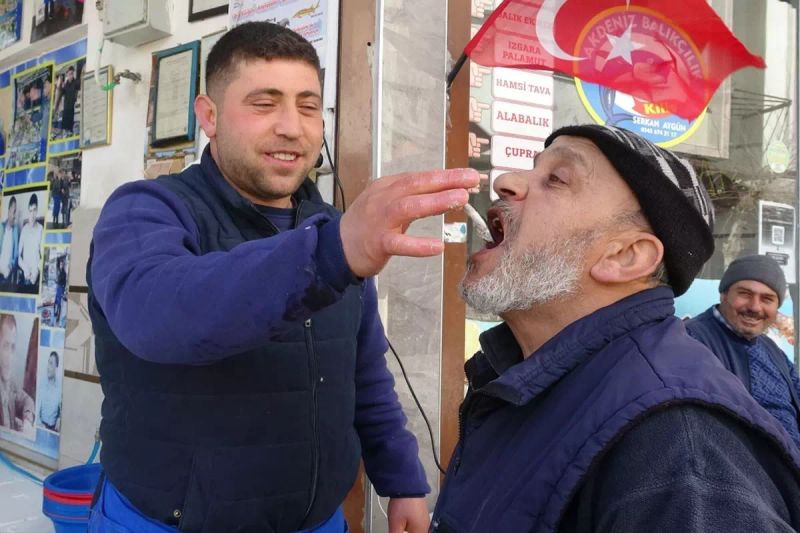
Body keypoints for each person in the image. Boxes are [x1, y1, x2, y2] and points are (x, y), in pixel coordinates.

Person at [87, 21, 477, 533]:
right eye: (264, 103)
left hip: (316, 522)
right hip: (166, 521)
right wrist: (332, 253)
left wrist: (401, 479)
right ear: (209, 116)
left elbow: (362, 370)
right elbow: (154, 314)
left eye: (308, 106)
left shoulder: (332, 230)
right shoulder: (146, 210)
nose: (292, 127)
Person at [431, 124, 800, 533]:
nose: (505, 182)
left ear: (626, 256)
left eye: (556, 179)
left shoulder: (679, 447)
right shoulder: (526, 377)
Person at [685, 254, 800, 449]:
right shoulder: (692, 340)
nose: (755, 307)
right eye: (745, 294)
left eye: (767, 299)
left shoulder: (770, 348)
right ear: (723, 294)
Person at [0, 314, 34, 431]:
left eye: (13, 347)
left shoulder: (10, 381)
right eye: (5, 346)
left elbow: (27, 400)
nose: (10, 356)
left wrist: (27, 422)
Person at [18, 194, 43, 288]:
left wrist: (36, 271)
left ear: (37, 211)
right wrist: (25, 269)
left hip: (35, 276)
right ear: (28, 211)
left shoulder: (41, 229)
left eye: (34, 210)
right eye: (30, 211)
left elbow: (43, 255)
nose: (32, 214)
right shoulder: (24, 229)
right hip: (25, 275)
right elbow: (18, 256)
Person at [38, 351, 61, 432]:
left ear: (56, 368)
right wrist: (39, 424)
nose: (48, 367)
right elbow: (36, 409)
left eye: (51, 364)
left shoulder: (60, 387)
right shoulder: (41, 383)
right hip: (41, 426)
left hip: (54, 429)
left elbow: (62, 407)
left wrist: (59, 418)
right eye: (48, 363)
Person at [55, 65, 79, 136]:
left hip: (72, 107)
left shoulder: (76, 82)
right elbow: (61, 92)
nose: (70, 75)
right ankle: (66, 134)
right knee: (65, 126)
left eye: (71, 73)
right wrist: (59, 85)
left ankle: (70, 133)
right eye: (69, 74)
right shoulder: (65, 84)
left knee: (70, 126)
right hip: (66, 108)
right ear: (67, 75)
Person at [0, 196, 19, 286]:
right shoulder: (1, 226)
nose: (14, 216)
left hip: (7, 272)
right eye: (13, 211)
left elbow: (16, 254)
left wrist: (10, 266)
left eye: (15, 212)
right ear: (8, 210)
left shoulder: (15, 230)